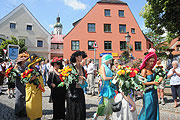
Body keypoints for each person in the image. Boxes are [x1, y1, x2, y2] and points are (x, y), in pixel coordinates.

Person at [138, 48, 161, 120]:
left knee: (154, 108)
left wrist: (160, 78)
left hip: (154, 92)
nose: (152, 63)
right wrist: (153, 82)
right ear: (146, 61)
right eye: (150, 61)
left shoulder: (152, 70)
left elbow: (157, 78)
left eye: (153, 61)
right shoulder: (144, 70)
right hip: (147, 93)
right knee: (148, 109)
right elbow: (142, 82)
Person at [93, 54, 116, 120]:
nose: (111, 60)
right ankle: (96, 116)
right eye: (110, 59)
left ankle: (107, 118)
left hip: (110, 87)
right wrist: (112, 77)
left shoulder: (107, 66)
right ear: (107, 59)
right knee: (105, 104)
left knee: (109, 104)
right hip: (106, 88)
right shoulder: (102, 67)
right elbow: (104, 78)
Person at [66, 51, 87, 120]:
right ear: (76, 57)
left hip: (80, 90)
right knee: (73, 110)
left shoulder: (82, 67)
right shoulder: (70, 67)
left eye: (82, 56)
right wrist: (78, 78)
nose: (81, 58)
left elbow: (83, 77)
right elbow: (68, 78)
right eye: (80, 56)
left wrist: (83, 80)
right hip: (72, 91)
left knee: (80, 109)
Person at [24, 54, 45, 120]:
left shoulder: (36, 69)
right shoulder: (28, 69)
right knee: (31, 105)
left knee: (38, 105)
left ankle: (38, 116)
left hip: (38, 90)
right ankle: (32, 117)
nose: (37, 63)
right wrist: (31, 79)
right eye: (35, 62)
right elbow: (25, 80)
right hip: (32, 90)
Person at [14, 52, 29, 118]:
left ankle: (24, 112)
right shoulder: (17, 67)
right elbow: (14, 75)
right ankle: (18, 111)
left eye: (25, 60)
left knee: (25, 98)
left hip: (25, 84)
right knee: (19, 97)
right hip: (19, 84)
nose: (24, 61)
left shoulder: (26, 67)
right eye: (24, 60)